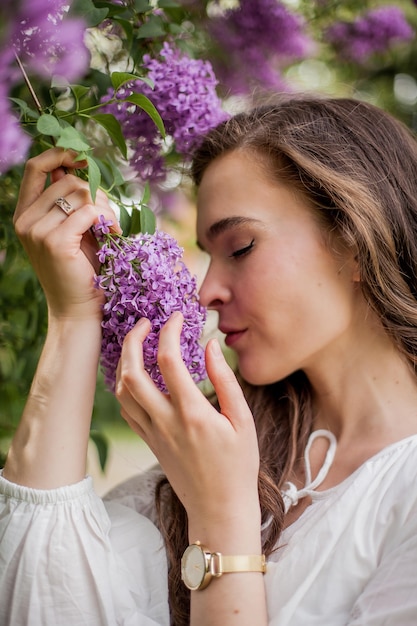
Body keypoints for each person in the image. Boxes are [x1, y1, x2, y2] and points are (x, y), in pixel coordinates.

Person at [1, 94, 417, 626]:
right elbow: (40, 597)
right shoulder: (228, 447)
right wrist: (75, 317)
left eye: (240, 247)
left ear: (355, 241)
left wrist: (222, 518)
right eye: (207, 255)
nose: (205, 293)